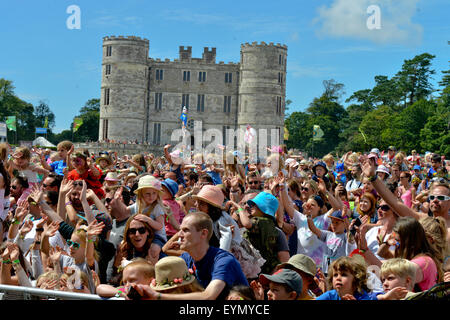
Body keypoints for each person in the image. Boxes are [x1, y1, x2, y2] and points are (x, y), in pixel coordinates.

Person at [130, 212, 248, 300]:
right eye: (179, 230)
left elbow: (208, 296)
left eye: (185, 230)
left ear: (203, 233)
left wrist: (158, 296)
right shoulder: (186, 259)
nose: (179, 235)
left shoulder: (223, 261)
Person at [127, 175, 167, 264]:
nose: (151, 196)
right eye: (147, 194)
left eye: (154, 193)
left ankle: (151, 267)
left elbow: (160, 226)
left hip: (158, 237)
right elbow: (126, 210)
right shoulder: (138, 205)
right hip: (143, 234)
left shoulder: (157, 207)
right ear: (141, 194)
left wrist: (148, 219)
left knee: (154, 249)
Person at [307, 209, 356, 274]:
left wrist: (345, 217)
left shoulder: (345, 236)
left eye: (337, 223)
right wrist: (309, 216)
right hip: (326, 271)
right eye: (332, 222)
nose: (334, 225)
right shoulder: (327, 234)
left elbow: (349, 231)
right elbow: (313, 229)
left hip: (339, 271)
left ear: (344, 224)